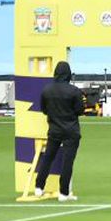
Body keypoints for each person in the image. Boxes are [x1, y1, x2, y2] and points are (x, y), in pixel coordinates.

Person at [32, 60, 85, 202]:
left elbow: (44, 109)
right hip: (71, 130)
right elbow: (80, 110)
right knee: (67, 161)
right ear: (68, 74)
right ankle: (63, 192)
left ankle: (38, 187)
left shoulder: (47, 90)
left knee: (48, 158)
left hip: (54, 129)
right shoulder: (74, 91)